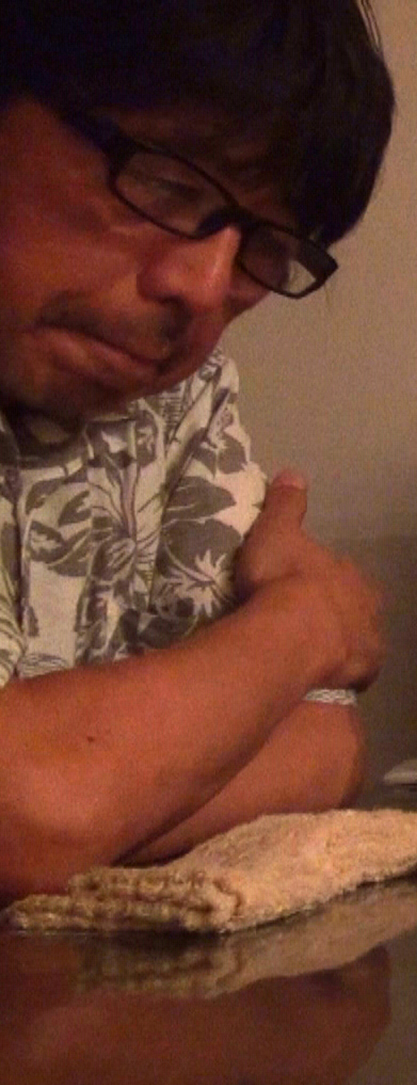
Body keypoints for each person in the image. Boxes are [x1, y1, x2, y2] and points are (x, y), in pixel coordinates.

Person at [0, 0, 395, 896]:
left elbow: (324, 745)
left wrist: (91, 793)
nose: (205, 287)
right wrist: (308, 622)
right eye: (166, 186)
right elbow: (19, 811)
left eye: (263, 246)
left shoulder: (170, 397)